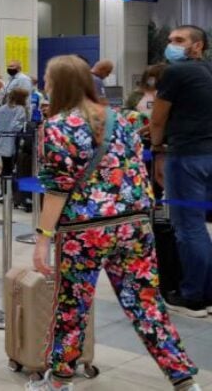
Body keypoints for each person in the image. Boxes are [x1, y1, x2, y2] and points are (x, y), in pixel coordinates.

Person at [29, 55, 198, 391]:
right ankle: (183, 378)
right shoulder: (125, 119)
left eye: (48, 79)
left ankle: (60, 381)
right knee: (147, 304)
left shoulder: (56, 127)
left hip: (85, 231)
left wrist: (43, 239)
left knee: (72, 305)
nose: (46, 86)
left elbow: (58, 189)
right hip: (135, 225)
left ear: (58, 84)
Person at [150, 25, 212, 318]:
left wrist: (157, 150)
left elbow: (158, 120)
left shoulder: (175, 73)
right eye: (170, 39)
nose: (170, 45)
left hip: (187, 156)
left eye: (179, 40)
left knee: (189, 226)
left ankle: (194, 296)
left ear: (198, 46)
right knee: (199, 225)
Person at [0, 88, 28, 201]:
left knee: (6, 168)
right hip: (14, 142)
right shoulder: (20, 109)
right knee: (14, 169)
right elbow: (17, 126)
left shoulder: (1, 109)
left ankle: (3, 193)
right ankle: (14, 194)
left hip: (2, 142)